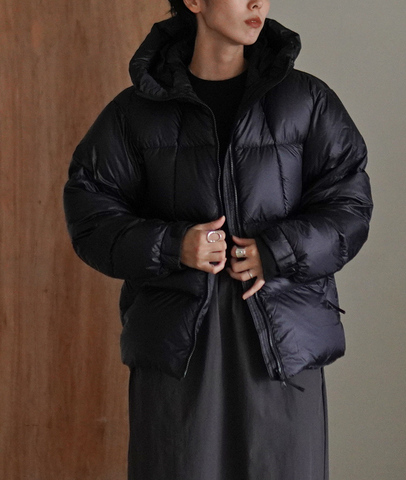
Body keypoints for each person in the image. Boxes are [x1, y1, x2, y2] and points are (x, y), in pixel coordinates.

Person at [63, 0, 373, 478]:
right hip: (180, 351)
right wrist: (173, 245)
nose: (257, 3)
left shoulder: (307, 100)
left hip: (282, 347)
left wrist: (277, 251)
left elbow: (349, 206)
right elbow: (90, 215)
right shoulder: (135, 112)